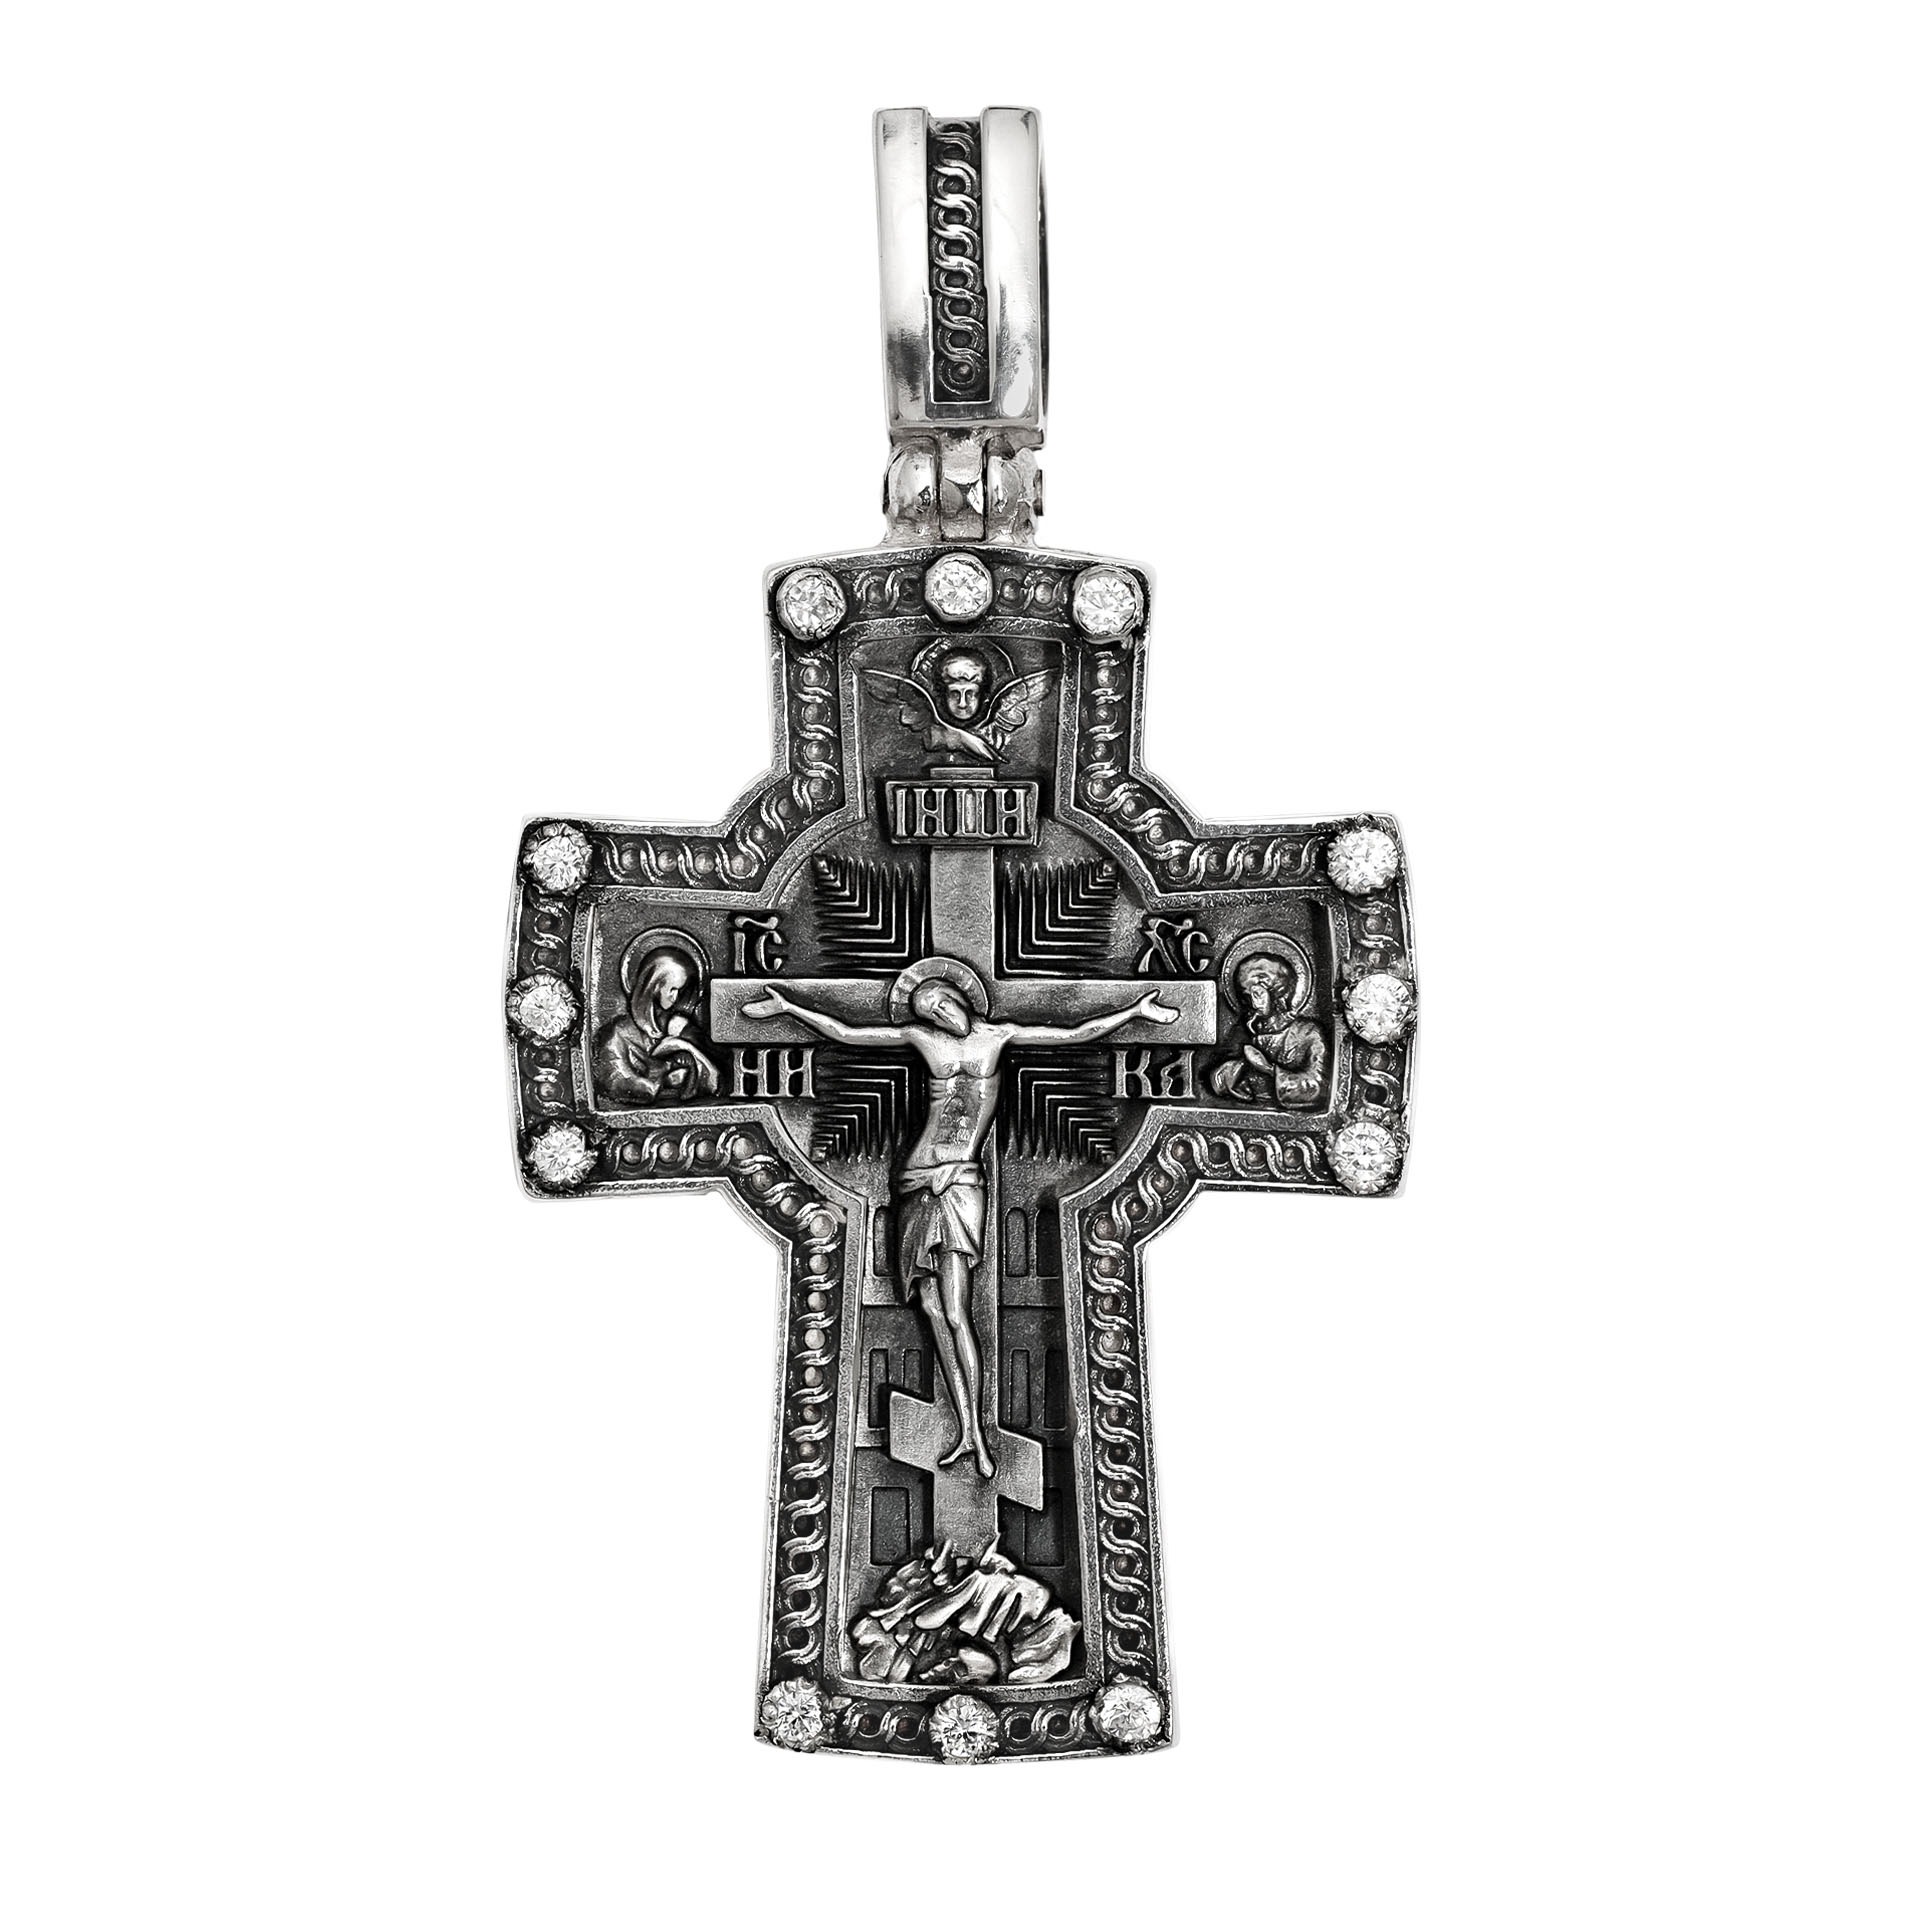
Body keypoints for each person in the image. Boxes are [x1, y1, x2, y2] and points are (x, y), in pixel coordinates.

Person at [743, 967, 1176, 1475]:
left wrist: (1135, 1012)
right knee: (929, 1307)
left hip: (960, 1181)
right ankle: (966, 1427)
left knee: (955, 1309)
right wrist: (788, 1008)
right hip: (916, 1180)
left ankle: (977, 1432)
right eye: (930, 1011)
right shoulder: (922, 1039)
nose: (941, 1014)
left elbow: (1076, 1032)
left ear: (959, 995)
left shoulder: (1000, 1035)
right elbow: (846, 1032)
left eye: (943, 1002)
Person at [591, 949, 720, 1104]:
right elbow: (614, 1080)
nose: (675, 997)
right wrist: (663, 1079)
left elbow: (713, 1081)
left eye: (680, 991)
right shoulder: (618, 1033)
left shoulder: (682, 1027)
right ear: (654, 986)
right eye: (672, 990)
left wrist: (682, 1045)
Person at [1207, 953, 1327, 1108]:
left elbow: (1319, 1086)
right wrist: (1236, 1068)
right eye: (1246, 996)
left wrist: (1269, 1069)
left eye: (1257, 994)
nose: (1252, 1003)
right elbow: (1217, 1079)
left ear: (1277, 992)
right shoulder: (1242, 1031)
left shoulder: (1308, 1033)